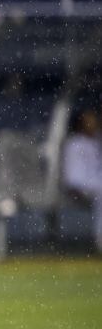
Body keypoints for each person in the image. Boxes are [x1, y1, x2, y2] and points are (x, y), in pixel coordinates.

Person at [63, 108, 102, 252]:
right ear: (80, 124)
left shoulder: (96, 141)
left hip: (95, 183)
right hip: (82, 186)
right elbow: (73, 176)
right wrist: (74, 189)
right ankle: (100, 239)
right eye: (88, 121)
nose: (93, 124)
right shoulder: (75, 144)